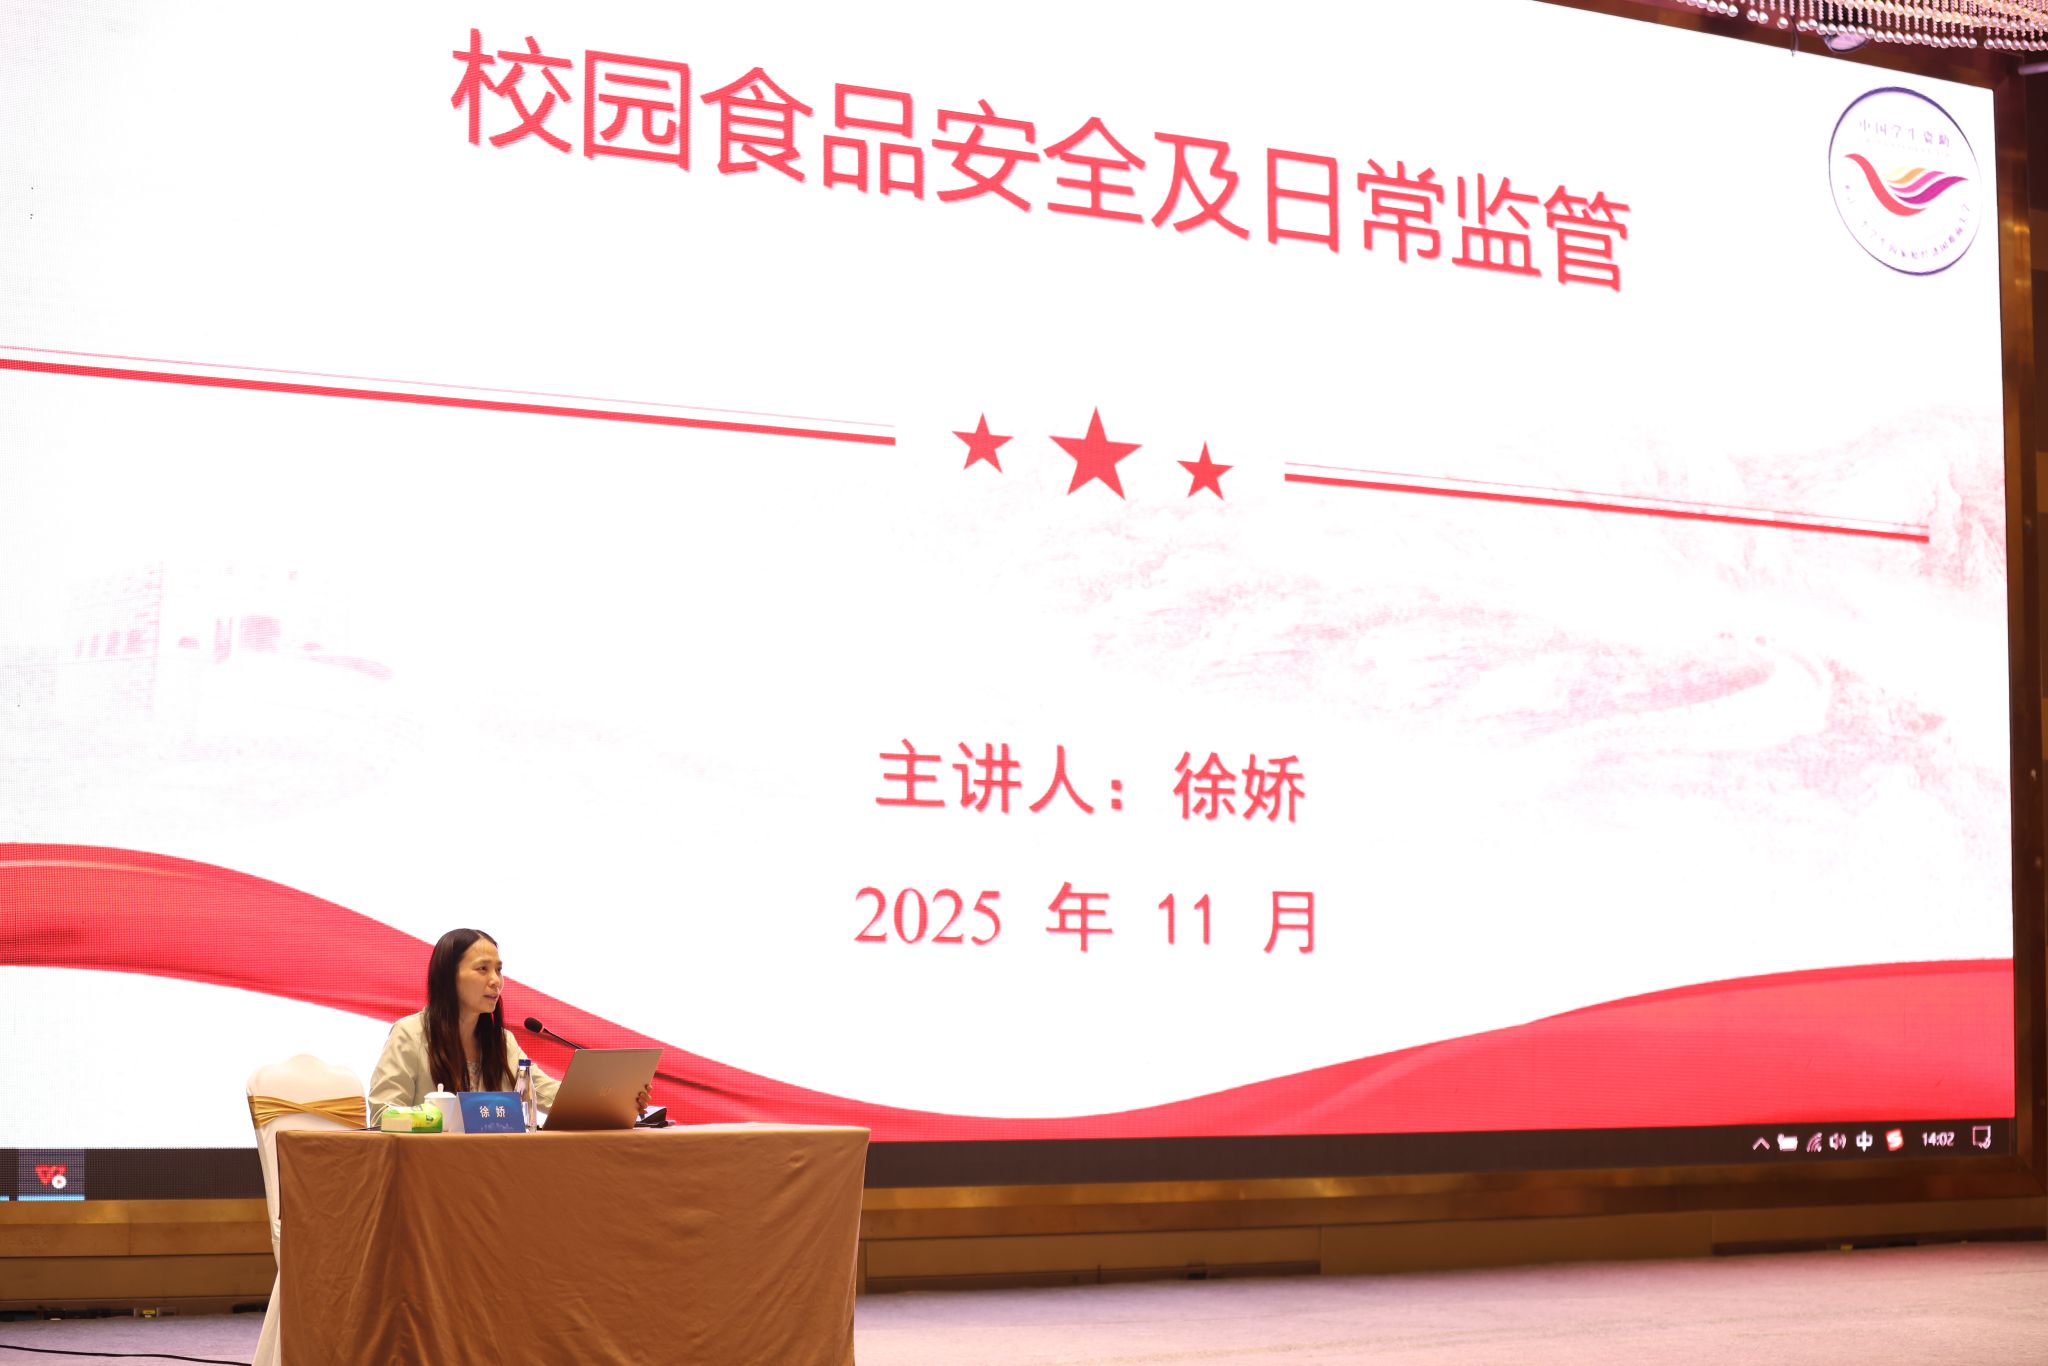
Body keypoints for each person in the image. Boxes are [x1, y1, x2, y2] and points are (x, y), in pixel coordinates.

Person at [368, 927, 559, 1125]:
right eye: (482, 969)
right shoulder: (409, 1034)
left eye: (498, 970)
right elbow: (383, 1114)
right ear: (449, 976)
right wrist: (440, 1119)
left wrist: (583, 1094)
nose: (496, 981)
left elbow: (546, 1093)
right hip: (431, 1146)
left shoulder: (503, 1041)